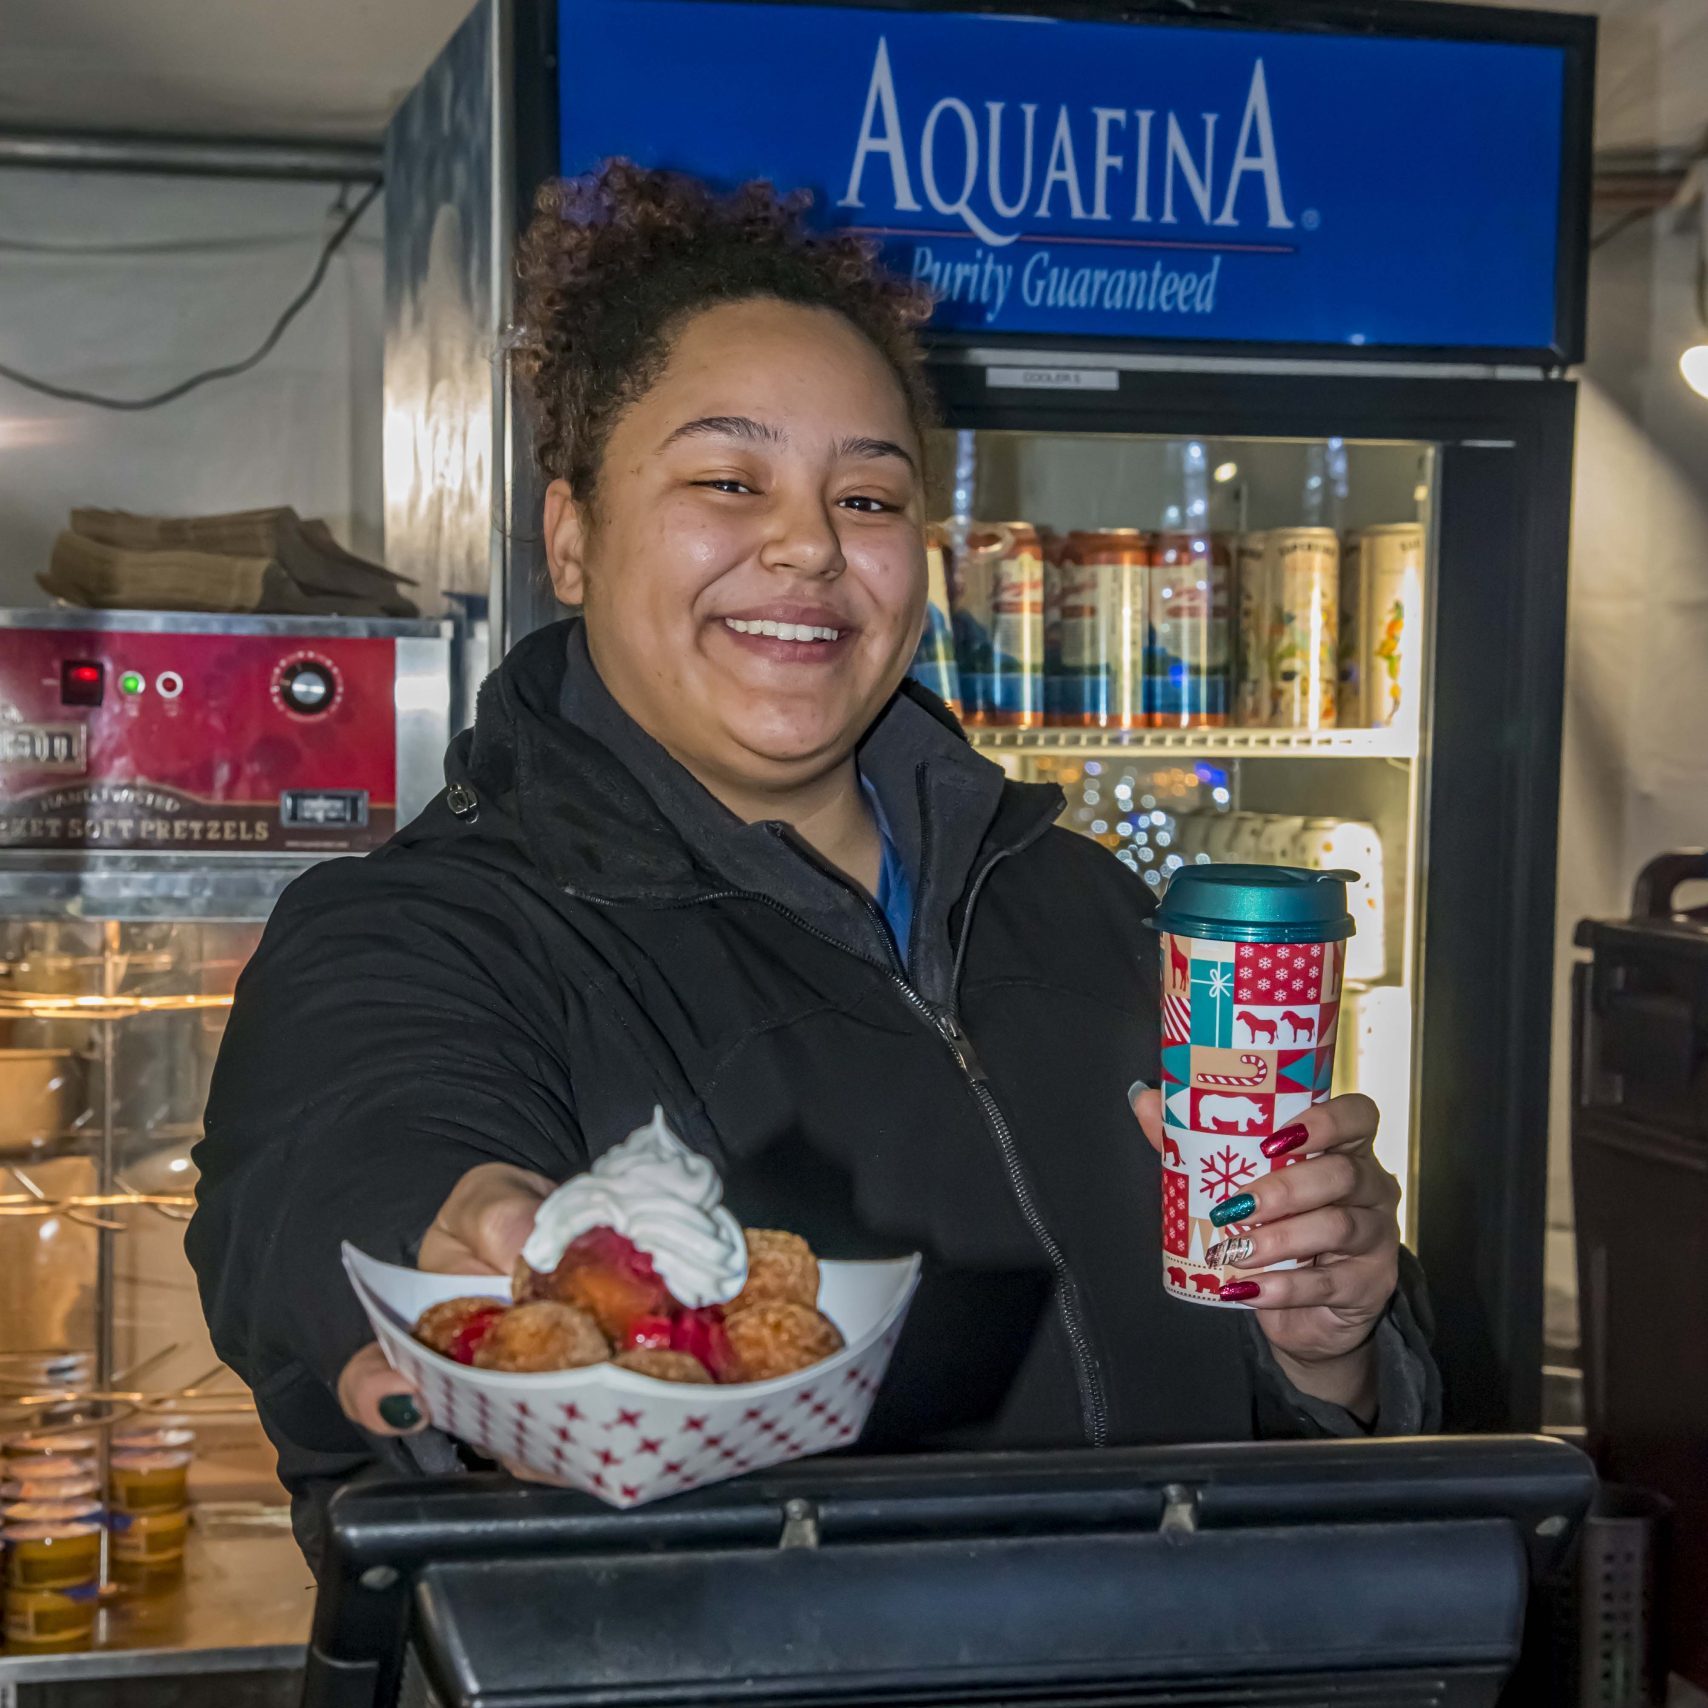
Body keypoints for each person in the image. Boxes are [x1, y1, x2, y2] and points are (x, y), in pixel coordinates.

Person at [188, 162, 1436, 1568]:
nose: (807, 546)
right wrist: (456, 1246)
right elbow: (351, 1138)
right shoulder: (420, 929)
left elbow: (1287, 1447)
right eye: (729, 480)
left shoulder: (1085, 908)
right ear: (572, 537)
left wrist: (1331, 1347)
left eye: (870, 498)